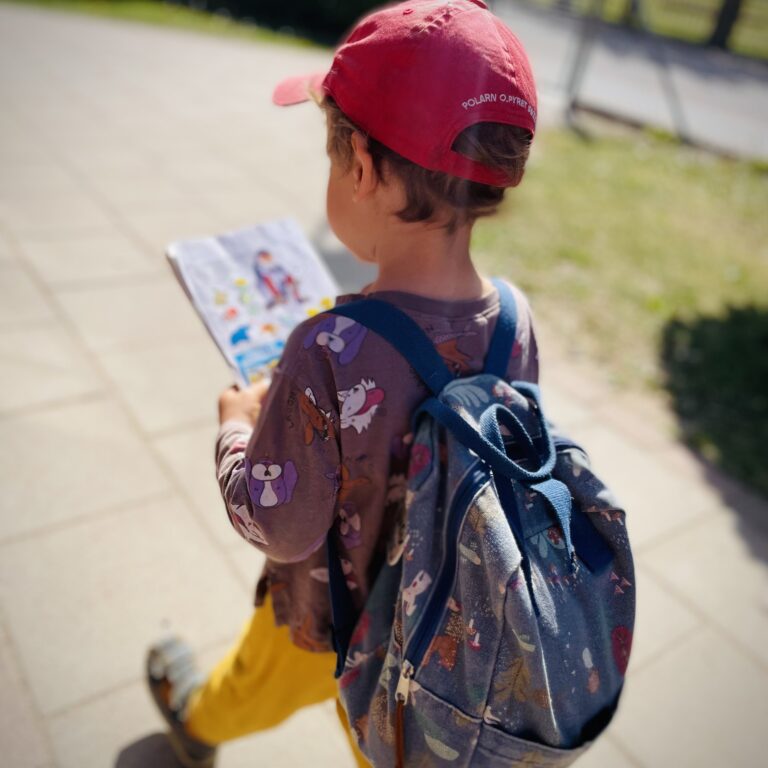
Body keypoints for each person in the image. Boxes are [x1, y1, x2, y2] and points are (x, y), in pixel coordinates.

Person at [146, 2, 540, 766]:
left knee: (255, 684)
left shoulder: (328, 346)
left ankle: (197, 724)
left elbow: (281, 525)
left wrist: (235, 427)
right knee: (391, 745)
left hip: (328, 615)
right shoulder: (516, 321)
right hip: (437, 635)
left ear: (359, 166)